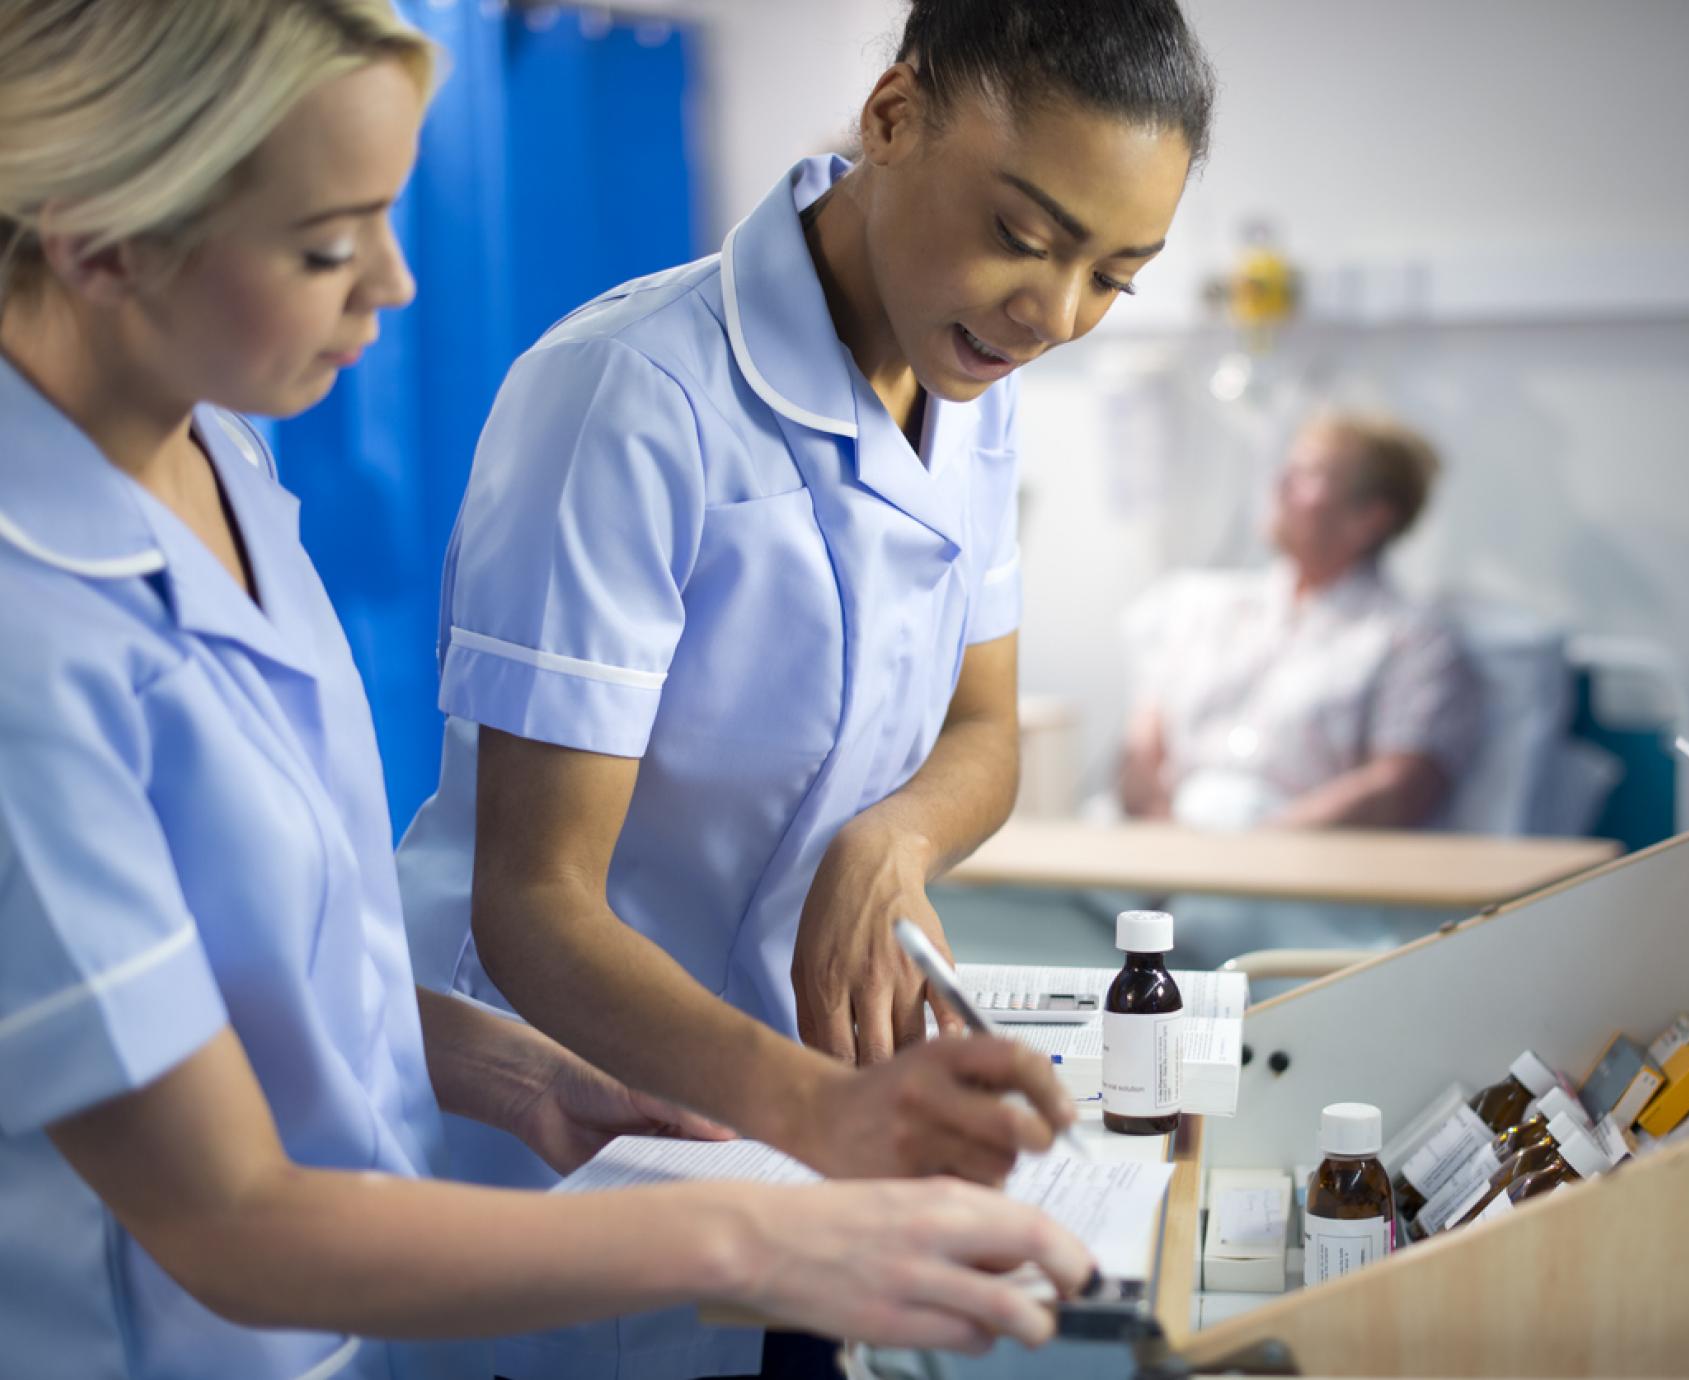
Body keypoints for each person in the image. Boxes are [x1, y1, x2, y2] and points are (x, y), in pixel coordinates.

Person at [0, 5, 1090, 1378]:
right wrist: (765, 1239)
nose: (396, 284)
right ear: (99, 237)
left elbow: (272, 959)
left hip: (362, 1306)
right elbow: (224, 1219)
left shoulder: (213, 453)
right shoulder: (27, 642)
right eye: (329, 243)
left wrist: (523, 1070)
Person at [393, 1, 1215, 1374]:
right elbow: (534, 905)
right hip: (572, 1124)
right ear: (891, 118)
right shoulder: (630, 394)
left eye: (1113, 275)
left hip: (790, 1131)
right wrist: (818, 1114)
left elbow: (984, 732)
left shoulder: (975, 387)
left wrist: (890, 841)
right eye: (1024, 234)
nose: (1054, 313)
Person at [1119, 410, 1482, 832]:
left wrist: (1256, 851)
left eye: (1310, 474)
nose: (1280, 485)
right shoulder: (1205, 609)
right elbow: (1141, 747)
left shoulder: (1410, 640)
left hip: (1295, 866)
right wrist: (1168, 843)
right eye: (1287, 468)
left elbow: (1398, 787)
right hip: (1163, 848)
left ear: (1370, 518)